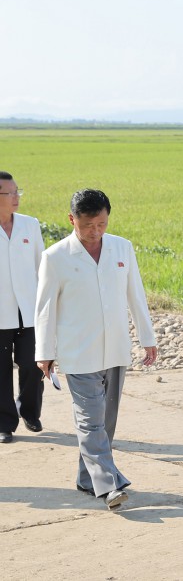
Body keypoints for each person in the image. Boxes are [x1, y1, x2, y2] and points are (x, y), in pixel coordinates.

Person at [34, 189, 157, 510]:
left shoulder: (122, 248)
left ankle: (87, 478)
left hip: (115, 348)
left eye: (101, 223)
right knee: (90, 421)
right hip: (78, 353)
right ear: (72, 220)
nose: (95, 231)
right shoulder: (56, 256)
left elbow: (136, 294)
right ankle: (109, 485)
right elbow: (44, 308)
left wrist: (148, 337)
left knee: (106, 420)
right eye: (88, 224)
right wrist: (43, 352)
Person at [0, 171, 45, 443]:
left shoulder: (30, 225)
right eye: (11, 193)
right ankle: (4, 423)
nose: (17, 197)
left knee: (32, 364)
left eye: (18, 191)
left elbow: (43, 266)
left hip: (30, 310)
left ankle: (29, 411)